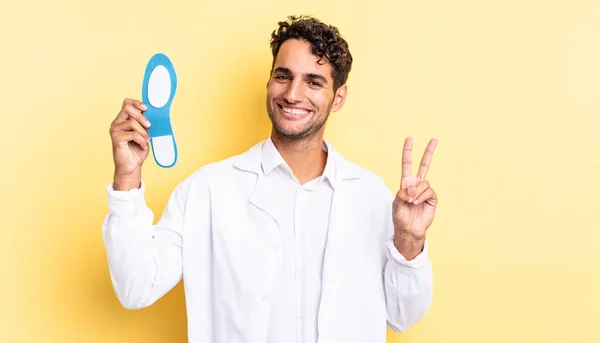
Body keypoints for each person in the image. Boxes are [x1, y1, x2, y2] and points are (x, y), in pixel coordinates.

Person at [103, 15, 438, 343]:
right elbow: (136, 287)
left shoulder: (370, 196)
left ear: (338, 97)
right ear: (269, 81)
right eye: (283, 75)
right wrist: (128, 176)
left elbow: (401, 317)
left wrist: (408, 241)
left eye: (314, 81)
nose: (293, 94)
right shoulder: (207, 191)